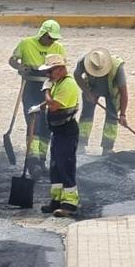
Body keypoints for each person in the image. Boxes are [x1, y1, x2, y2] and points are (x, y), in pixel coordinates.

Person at [8, 19, 66, 170]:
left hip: (49, 88)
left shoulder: (58, 48)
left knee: (47, 124)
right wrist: (20, 67)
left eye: (53, 39)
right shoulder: (26, 43)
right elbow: (12, 60)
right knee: (33, 121)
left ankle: (41, 159)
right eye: (49, 38)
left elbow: (63, 70)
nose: (50, 41)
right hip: (31, 86)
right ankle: (32, 159)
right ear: (42, 33)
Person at [35, 53, 81, 217]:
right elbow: (49, 102)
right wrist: (39, 107)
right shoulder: (59, 83)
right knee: (56, 166)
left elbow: (53, 105)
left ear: (61, 69)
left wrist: (46, 90)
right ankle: (56, 200)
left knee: (65, 166)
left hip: (67, 132)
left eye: (50, 71)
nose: (48, 74)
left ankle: (69, 204)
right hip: (59, 131)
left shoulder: (67, 85)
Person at [74, 47, 129, 155]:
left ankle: (107, 148)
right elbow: (76, 75)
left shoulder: (117, 67)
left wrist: (122, 114)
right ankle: (80, 144)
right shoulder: (83, 62)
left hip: (111, 91)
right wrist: (86, 92)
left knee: (112, 118)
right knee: (86, 116)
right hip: (92, 88)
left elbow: (124, 92)